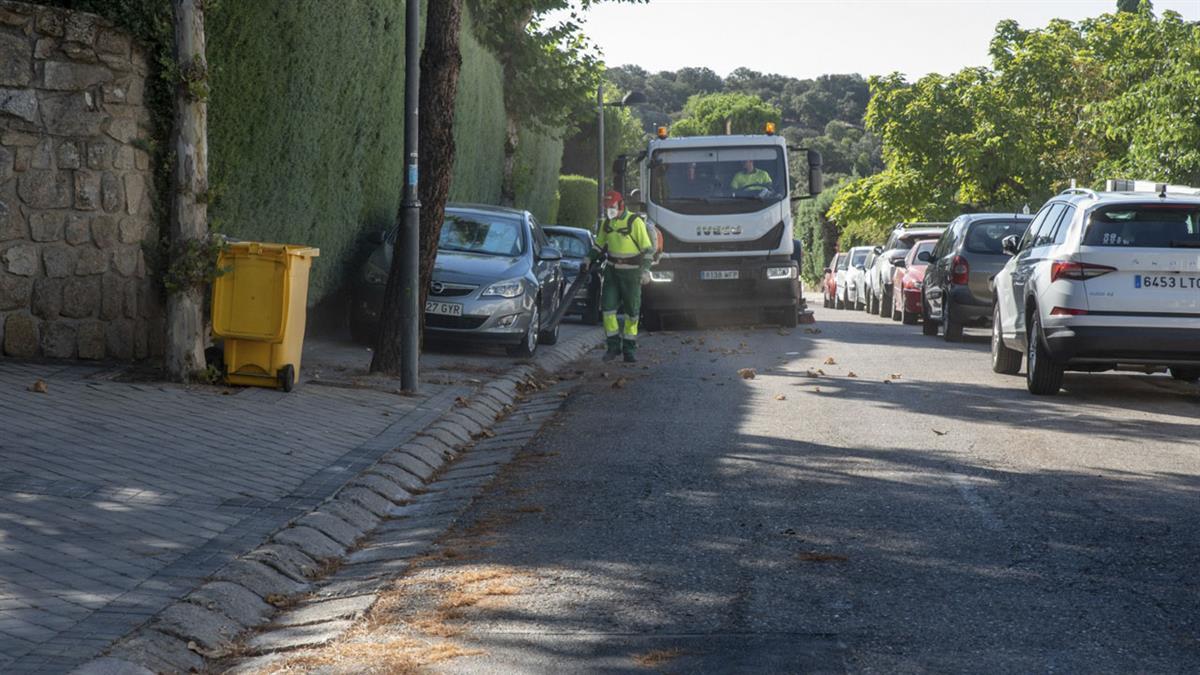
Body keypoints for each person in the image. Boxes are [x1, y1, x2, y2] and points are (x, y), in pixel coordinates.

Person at [590, 191, 655, 362]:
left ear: (621, 205)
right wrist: (587, 259)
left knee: (632, 314)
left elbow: (648, 249)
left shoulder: (635, 222)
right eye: (607, 208)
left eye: (611, 208)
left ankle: (629, 350)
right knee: (608, 310)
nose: (609, 211)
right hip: (612, 272)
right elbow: (598, 245)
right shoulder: (606, 224)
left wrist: (646, 270)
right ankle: (613, 347)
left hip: (632, 273)